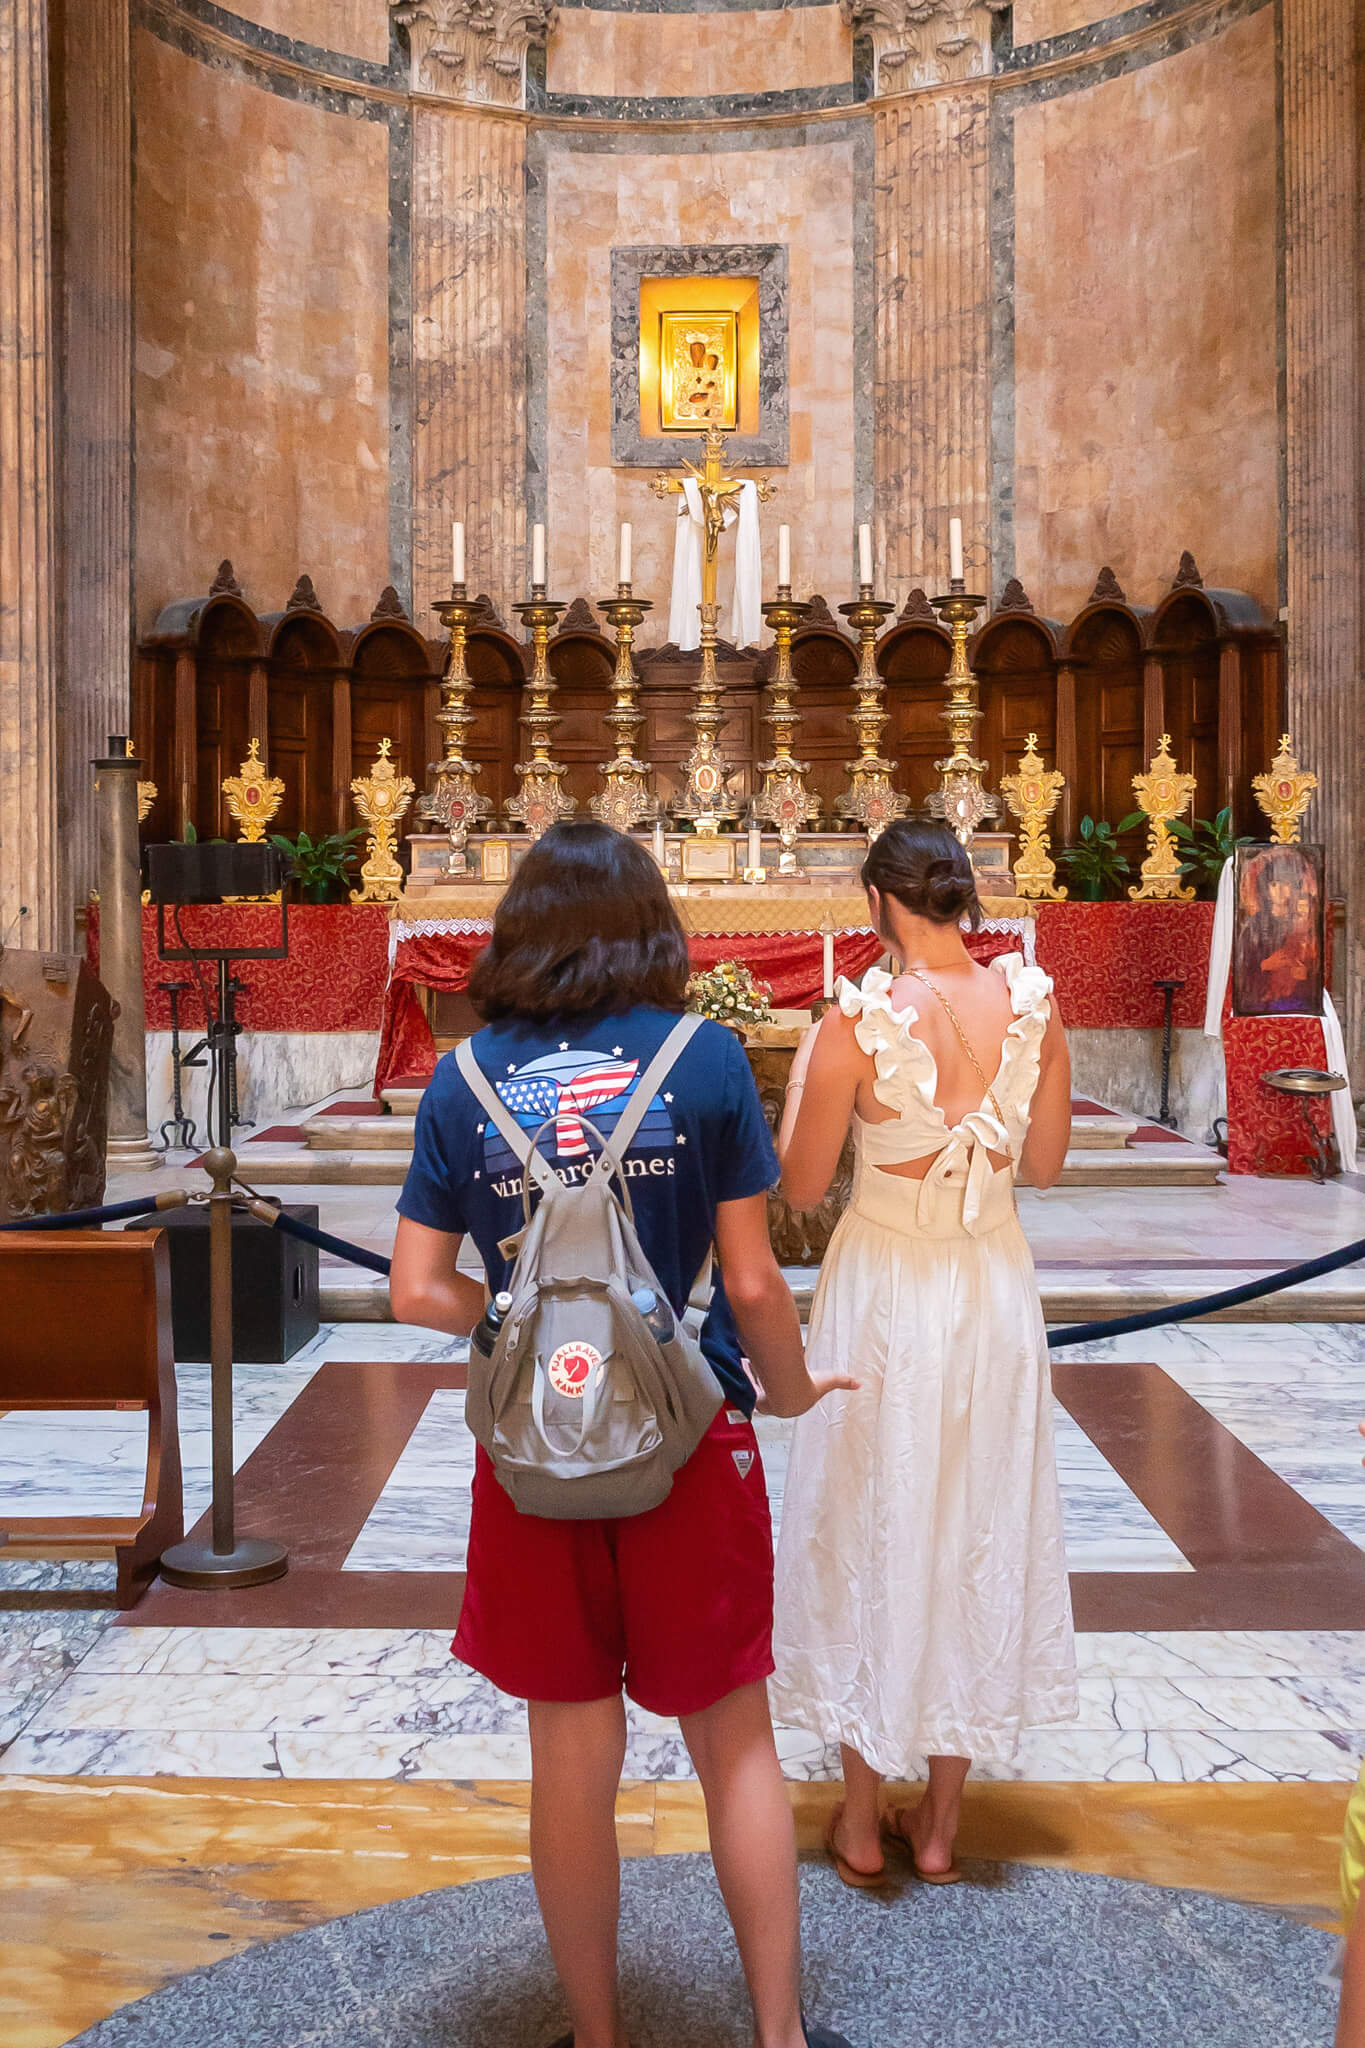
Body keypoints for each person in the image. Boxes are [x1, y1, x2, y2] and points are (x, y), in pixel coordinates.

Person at [390, 819, 855, 2048]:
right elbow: (752, 1284)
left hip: (539, 1451)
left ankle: (596, 2037)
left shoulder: (465, 1076)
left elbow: (411, 1288)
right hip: (689, 1439)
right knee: (736, 1745)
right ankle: (778, 2034)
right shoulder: (703, 1060)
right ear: (651, 923)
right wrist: (795, 1389)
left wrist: (515, 1323)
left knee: (570, 1757)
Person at [768, 818, 1078, 1887]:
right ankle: (940, 1825)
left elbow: (800, 1191)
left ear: (880, 904)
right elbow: (1042, 1162)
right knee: (975, 1521)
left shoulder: (857, 1022)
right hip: (991, 1282)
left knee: (871, 1516)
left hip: (888, 1287)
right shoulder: (1034, 1001)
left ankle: (861, 1820)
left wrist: (811, 1073)